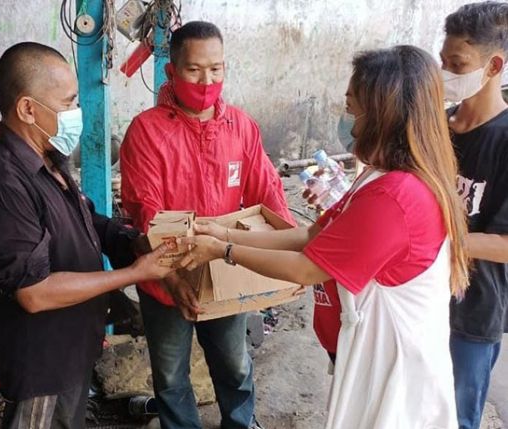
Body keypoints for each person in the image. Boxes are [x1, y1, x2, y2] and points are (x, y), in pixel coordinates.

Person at [179, 45, 470, 429]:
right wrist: (225, 231)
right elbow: (311, 236)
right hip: (364, 353)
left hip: (394, 368)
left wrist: (223, 249)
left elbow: (306, 267)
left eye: (353, 110)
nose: (347, 120)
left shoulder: (397, 196)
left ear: (382, 114)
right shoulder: (376, 176)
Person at [0, 42, 173, 429]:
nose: (77, 113)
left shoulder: (48, 159)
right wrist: (134, 274)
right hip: (42, 360)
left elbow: (87, 221)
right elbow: (34, 292)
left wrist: (135, 243)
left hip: (73, 345)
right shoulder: (2, 182)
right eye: (69, 102)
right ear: (28, 109)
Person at [120, 21, 295, 429]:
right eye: (194, 69)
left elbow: (268, 195)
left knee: (235, 365)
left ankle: (241, 423)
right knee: (169, 376)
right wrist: (172, 279)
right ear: (172, 71)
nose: (206, 80)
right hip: (164, 278)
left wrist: (290, 260)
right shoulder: (147, 131)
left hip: (224, 270)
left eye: (216, 69)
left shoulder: (241, 127)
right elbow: (146, 213)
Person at [441, 3, 508, 428]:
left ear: (493, 65)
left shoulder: (503, 142)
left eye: (457, 64)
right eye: (442, 61)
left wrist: (431, 240)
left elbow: (504, 245)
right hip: (419, 298)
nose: (445, 72)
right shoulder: (437, 126)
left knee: (454, 417)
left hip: (472, 312)